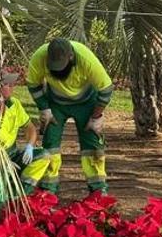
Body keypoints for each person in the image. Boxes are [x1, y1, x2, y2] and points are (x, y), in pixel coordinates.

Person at [25, 38, 114, 194]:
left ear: (71, 57)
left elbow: (106, 89)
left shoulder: (86, 58)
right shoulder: (39, 57)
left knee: (92, 146)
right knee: (50, 143)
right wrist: (44, 108)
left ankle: (98, 190)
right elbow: (33, 84)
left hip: (86, 103)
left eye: (61, 67)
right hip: (55, 104)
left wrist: (96, 117)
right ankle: (48, 189)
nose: (58, 71)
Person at [0, 66, 61, 218]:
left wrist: (29, 145)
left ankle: (19, 196)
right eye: (7, 84)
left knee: (44, 156)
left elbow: (30, 128)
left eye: (12, 84)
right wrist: (0, 160)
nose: (12, 88)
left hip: (13, 153)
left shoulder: (14, 104)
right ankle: (1, 209)